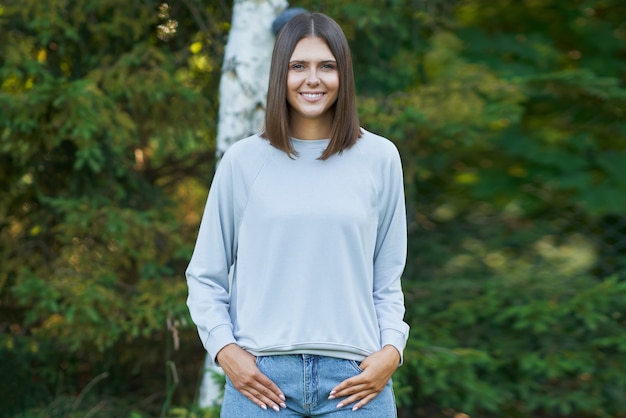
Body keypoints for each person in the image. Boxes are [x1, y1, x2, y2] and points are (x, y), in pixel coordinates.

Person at [186, 11, 409, 417]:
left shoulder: (380, 158)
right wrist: (226, 351)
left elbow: (387, 278)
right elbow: (204, 276)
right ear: (279, 75)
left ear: (344, 74)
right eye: (298, 66)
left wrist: (392, 350)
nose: (313, 79)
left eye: (327, 66)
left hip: (356, 380)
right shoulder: (243, 161)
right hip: (260, 380)